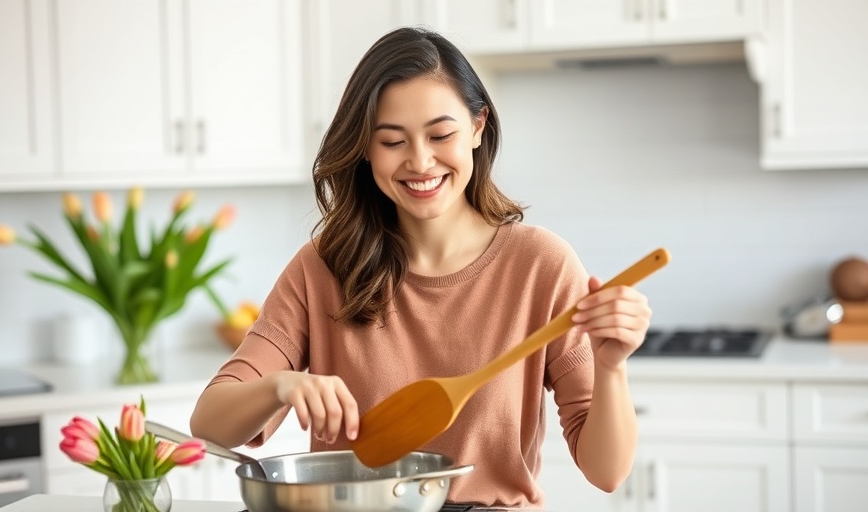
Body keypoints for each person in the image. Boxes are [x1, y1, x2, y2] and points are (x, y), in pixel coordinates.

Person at [190, 26, 651, 508]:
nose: (421, 161)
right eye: (393, 141)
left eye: (440, 134)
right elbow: (209, 421)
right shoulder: (325, 266)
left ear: (477, 127)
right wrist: (280, 386)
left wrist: (611, 366)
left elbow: (607, 471)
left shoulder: (542, 266)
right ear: (364, 149)